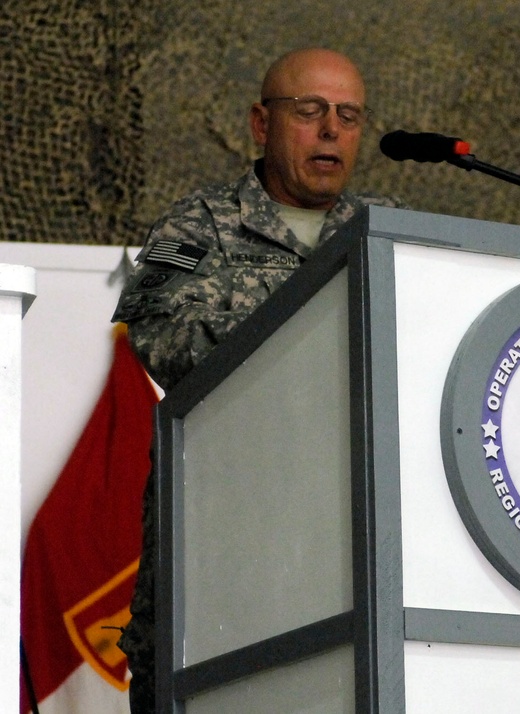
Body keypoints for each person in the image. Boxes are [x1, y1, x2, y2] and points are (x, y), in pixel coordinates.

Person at [112, 48, 402, 712]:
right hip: (219, 562)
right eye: (309, 111)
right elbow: (156, 336)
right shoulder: (189, 225)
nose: (331, 130)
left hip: (350, 561)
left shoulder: (385, 232)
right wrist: (308, 331)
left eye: (349, 115)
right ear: (259, 123)